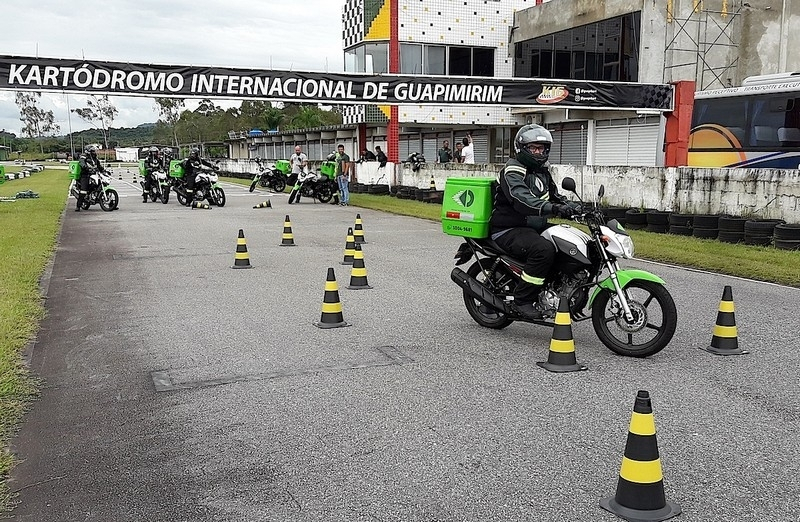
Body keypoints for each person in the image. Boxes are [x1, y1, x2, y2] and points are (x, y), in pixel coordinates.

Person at [489, 124, 580, 320]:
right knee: (543, 250)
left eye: (542, 148)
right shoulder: (513, 170)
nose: (538, 152)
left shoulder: (541, 171)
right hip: (508, 227)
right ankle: (522, 300)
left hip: (532, 226)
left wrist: (577, 207)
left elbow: (554, 197)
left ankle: (557, 288)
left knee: (570, 242)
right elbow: (521, 198)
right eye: (533, 148)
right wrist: (553, 209)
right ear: (522, 148)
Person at [75, 145, 107, 211]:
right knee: (83, 190)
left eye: (94, 151)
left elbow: (99, 166)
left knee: (101, 184)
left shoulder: (94, 158)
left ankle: (111, 204)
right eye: (93, 151)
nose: (94, 152)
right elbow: (82, 163)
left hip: (94, 174)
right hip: (85, 175)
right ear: (88, 151)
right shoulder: (83, 156)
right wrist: (87, 168)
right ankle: (78, 206)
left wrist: (104, 171)